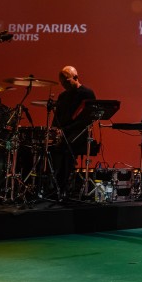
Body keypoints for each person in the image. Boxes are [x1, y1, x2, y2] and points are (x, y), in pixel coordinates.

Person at [51, 65, 96, 197]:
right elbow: (57, 117)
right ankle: (54, 186)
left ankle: (65, 187)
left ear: (76, 77)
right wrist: (54, 131)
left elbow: (86, 119)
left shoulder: (87, 93)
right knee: (49, 147)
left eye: (66, 81)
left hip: (79, 133)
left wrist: (64, 130)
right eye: (62, 83)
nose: (64, 85)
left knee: (65, 148)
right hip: (64, 133)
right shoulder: (63, 96)